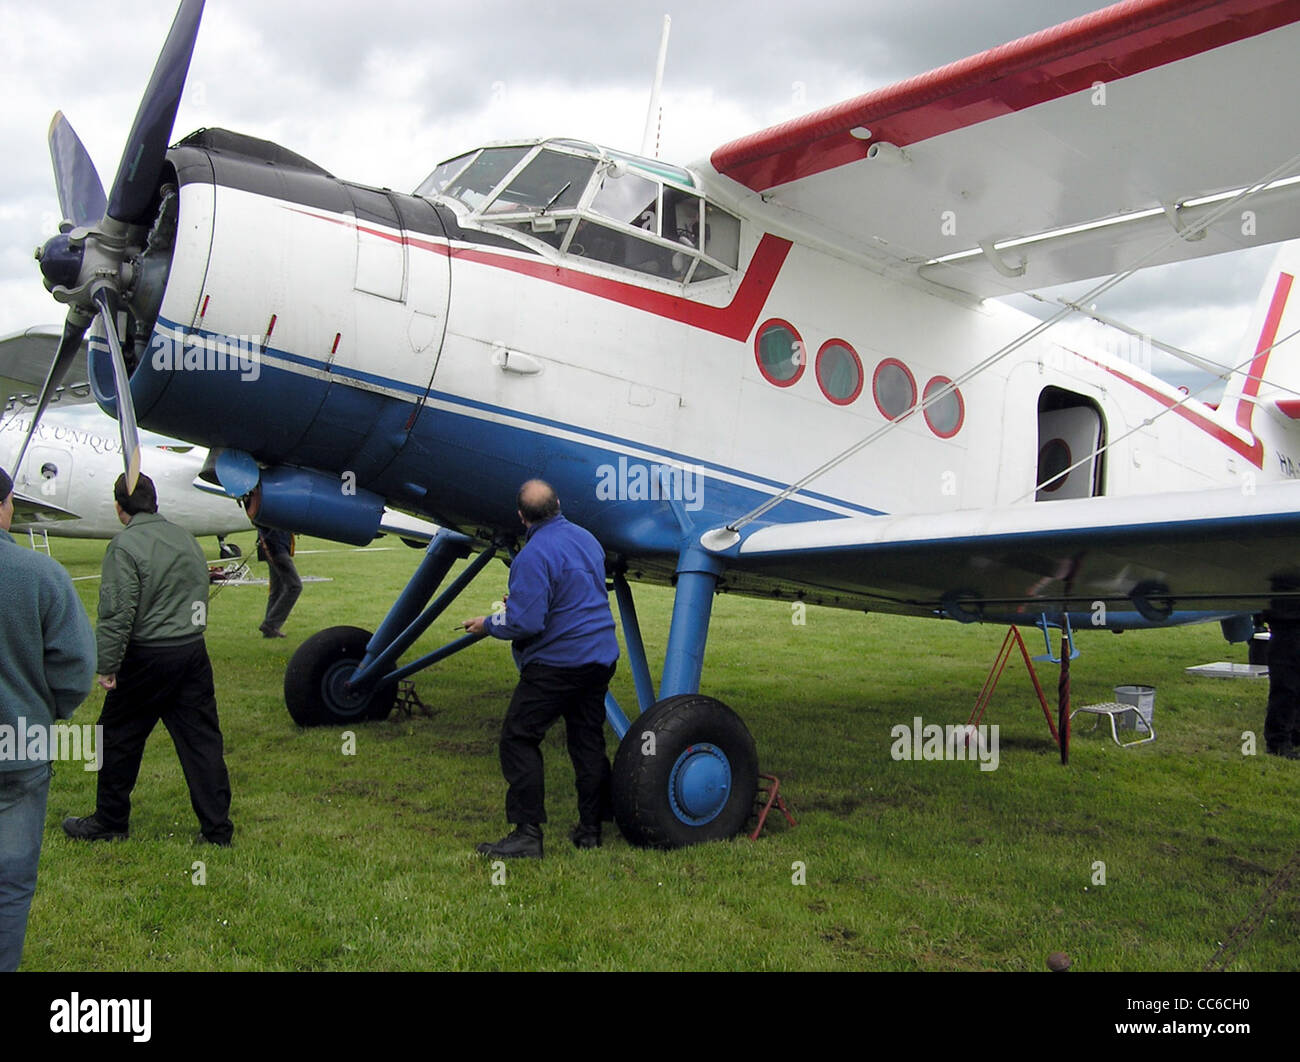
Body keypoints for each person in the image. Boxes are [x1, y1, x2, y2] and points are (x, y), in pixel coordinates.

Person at [63, 473, 234, 845]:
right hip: (191, 650)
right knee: (201, 741)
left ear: (119, 507)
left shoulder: (125, 546)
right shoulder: (184, 537)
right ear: (154, 502)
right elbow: (198, 589)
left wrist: (107, 666)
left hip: (148, 656)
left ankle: (110, 822)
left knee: (116, 737)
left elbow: (117, 612)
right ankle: (217, 830)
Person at [464, 480, 619, 858]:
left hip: (558, 665)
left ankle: (527, 834)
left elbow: (527, 624)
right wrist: (523, 601)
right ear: (559, 503)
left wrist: (489, 623)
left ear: (521, 516)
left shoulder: (532, 556)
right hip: (599, 657)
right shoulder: (587, 539)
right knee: (587, 741)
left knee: (518, 738)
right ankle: (591, 829)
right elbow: (571, 593)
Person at [0, 466, 96, 971]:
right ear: (6, 506)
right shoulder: (42, 576)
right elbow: (76, 666)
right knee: (10, 884)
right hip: (20, 750)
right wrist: (43, 712)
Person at [1264, 589, 1300, 760]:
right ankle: (1278, 741)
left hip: (1288, 617)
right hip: (1287, 622)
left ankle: (1294, 733)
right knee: (1285, 687)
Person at [255, 522, 301, 638]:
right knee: (295, 586)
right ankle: (270, 625)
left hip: (275, 547)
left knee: (277, 589)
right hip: (276, 549)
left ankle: (269, 630)